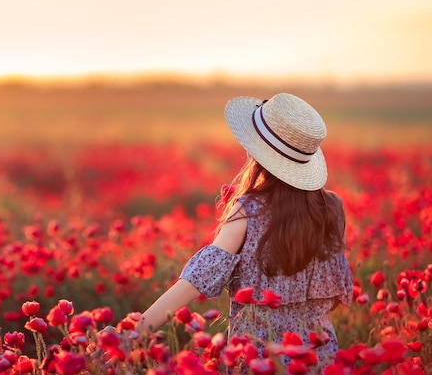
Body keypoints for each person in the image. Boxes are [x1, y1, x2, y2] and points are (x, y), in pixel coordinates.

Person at [139, 92, 354, 369]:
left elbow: (196, 279)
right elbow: (333, 295)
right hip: (318, 359)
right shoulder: (333, 207)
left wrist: (135, 330)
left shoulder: (248, 210)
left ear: (257, 152)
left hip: (259, 362)